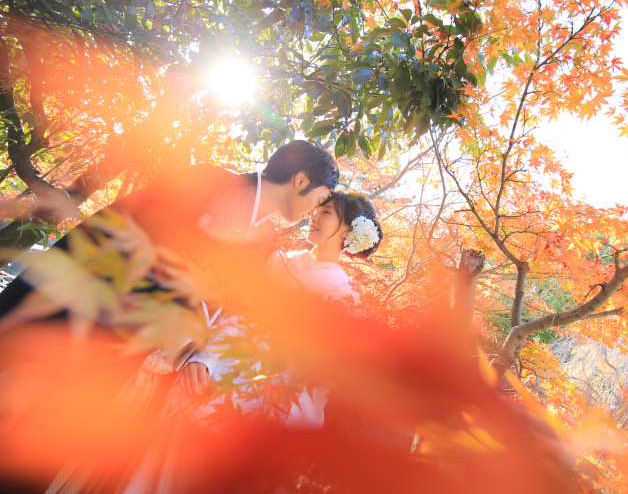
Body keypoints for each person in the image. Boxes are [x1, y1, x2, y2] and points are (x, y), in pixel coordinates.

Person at [71, 192, 383, 494]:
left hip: (266, 402)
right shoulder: (279, 261)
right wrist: (202, 359)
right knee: (158, 469)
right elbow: (235, 314)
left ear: (348, 230)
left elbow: (322, 376)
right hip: (217, 372)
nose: (314, 215)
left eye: (326, 212)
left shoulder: (345, 297)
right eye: (318, 209)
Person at [0, 140, 339, 330]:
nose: (314, 210)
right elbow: (114, 227)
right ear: (300, 180)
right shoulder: (211, 181)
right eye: (319, 199)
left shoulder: (262, 241)